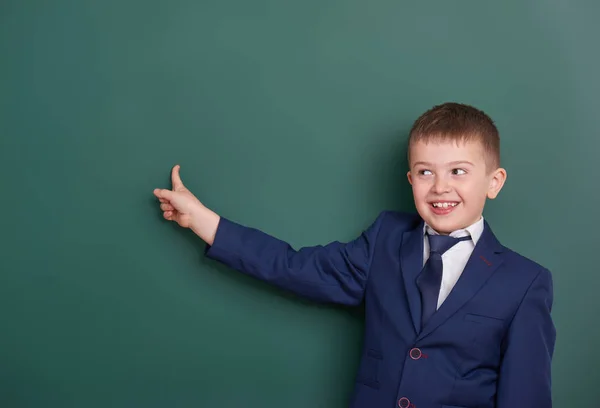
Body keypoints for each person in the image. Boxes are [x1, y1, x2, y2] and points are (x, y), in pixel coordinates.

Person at [153, 102, 556, 408]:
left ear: (494, 182)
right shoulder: (385, 239)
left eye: (459, 171)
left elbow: (526, 396)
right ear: (410, 179)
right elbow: (293, 268)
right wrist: (204, 221)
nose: (440, 188)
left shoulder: (524, 282)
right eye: (425, 171)